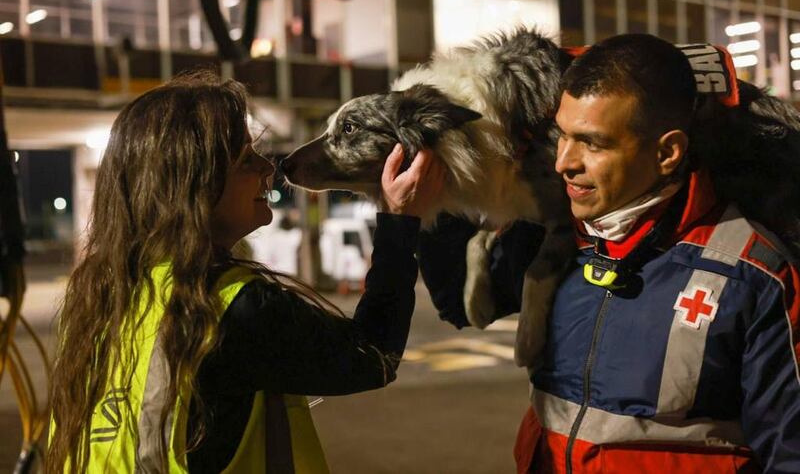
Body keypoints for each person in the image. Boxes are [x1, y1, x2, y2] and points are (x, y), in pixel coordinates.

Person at [418, 34, 800, 473]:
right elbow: (456, 304)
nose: (564, 161)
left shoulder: (757, 275)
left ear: (667, 152)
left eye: (592, 143)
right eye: (561, 135)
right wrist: (437, 184)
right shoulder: (550, 242)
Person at [47, 71, 445, 473]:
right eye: (244, 158)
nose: (266, 168)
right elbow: (373, 356)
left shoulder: (104, 296)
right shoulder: (232, 307)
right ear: (196, 186)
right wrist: (399, 221)